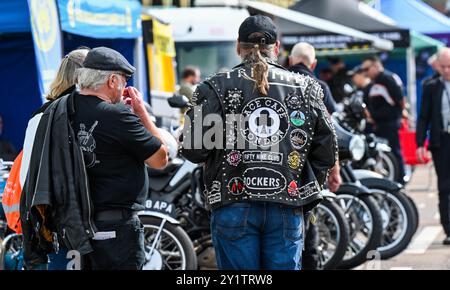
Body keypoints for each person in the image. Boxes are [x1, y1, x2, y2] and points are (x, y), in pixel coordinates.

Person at [180, 15, 338, 270]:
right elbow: (328, 151)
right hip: (287, 202)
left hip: (233, 200)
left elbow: (193, 149)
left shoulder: (214, 87)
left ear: (238, 47)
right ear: (276, 49)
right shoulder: (306, 87)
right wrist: (303, 186)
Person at [71, 47, 169, 269]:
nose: (125, 86)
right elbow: (160, 159)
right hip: (115, 228)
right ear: (112, 80)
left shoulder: (62, 109)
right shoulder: (117, 115)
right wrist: (141, 112)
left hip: (73, 224)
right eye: (124, 80)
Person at [287, 42, 341, 270]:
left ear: (290, 61)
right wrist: (334, 169)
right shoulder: (319, 87)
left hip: (279, 171)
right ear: (314, 63)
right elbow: (330, 133)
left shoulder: (278, 82)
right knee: (309, 230)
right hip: (308, 174)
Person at [416, 48, 450, 245]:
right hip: (441, 141)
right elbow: (423, 117)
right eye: (443, 67)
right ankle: (448, 229)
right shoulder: (431, 86)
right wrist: (420, 143)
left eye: (449, 67)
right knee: (445, 186)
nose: (446, 71)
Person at [361, 55, 407, 183]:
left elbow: (400, 98)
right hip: (380, 123)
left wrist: (402, 113)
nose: (365, 72)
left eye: (367, 69)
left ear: (376, 65)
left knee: (393, 152)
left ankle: (400, 179)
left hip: (390, 122)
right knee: (385, 153)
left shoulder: (386, 78)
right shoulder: (375, 82)